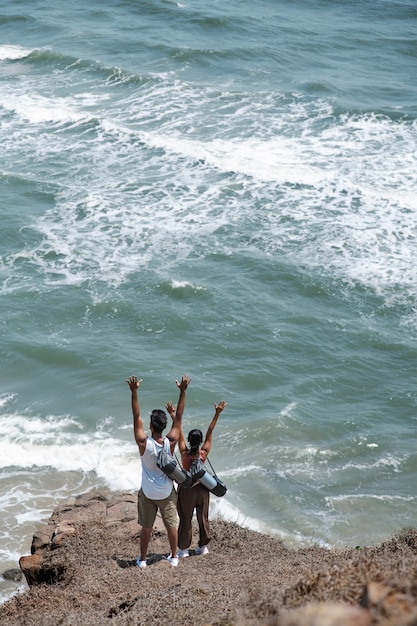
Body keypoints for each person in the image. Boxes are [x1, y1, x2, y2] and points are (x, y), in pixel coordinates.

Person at [126, 374, 191, 568]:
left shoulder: (144, 444)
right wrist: (183, 391)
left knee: (146, 527)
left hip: (147, 492)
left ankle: (143, 560)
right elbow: (178, 416)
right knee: (172, 524)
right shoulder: (170, 443)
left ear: (151, 425)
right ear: (164, 427)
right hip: (166, 492)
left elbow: (135, 415)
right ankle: (173, 556)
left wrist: (134, 392)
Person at [166, 399, 226, 558]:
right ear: (199, 442)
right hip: (203, 488)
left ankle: (184, 550)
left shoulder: (184, 452)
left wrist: (173, 415)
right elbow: (210, 433)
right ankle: (204, 546)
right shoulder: (203, 453)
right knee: (203, 517)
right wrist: (217, 414)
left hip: (187, 489)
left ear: (190, 441)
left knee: (186, 518)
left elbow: (179, 431)